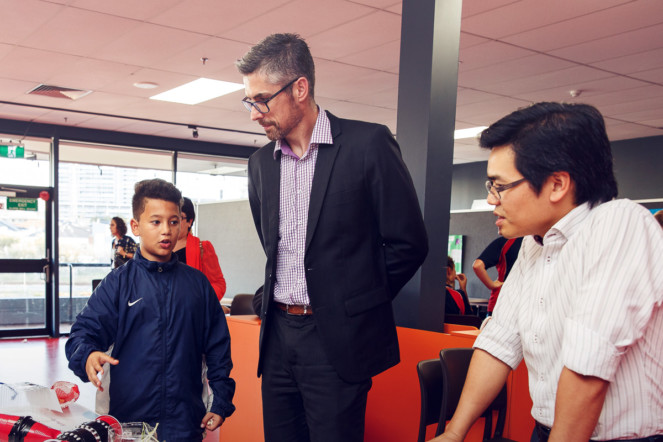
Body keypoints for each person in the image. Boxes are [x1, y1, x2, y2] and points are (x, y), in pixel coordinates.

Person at [237, 33, 428, 442]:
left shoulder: (367, 144)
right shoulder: (259, 165)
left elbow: (408, 243)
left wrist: (353, 303)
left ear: (300, 88)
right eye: (249, 101)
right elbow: (276, 250)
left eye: (262, 99)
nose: (254, 114)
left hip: (336, 342)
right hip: (277, 342)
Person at [434, 102, 663, 442]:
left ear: (557, 184)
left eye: (500, 186)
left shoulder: (619, 224)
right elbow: (499, 342)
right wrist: (454, 433)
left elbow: (588, 369)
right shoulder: (535, 244)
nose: (492, 200)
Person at [66, 179, 235, 441]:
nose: (166, 231)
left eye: (173, 221)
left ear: (182, 223)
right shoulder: (118, 283)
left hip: (185, 421)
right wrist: (87, 355)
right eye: (155, 222)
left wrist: (221, 400)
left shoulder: (197, 284)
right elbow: (82, 333)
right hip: (129, 421)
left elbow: (218, 347)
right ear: (136, 226)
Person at [174, 197, 227, 300]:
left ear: (189, 221)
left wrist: (202, 301)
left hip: (192, 310)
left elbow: (218, 283)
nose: (173, 223)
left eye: (179, 218)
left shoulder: (203, 248)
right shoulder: (159, 248)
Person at [472, 236, 522, 315]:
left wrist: (491, 285)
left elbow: (477, 266)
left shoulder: (507, 241)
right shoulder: (539, 244)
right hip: (526, 301)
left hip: (501, 300)